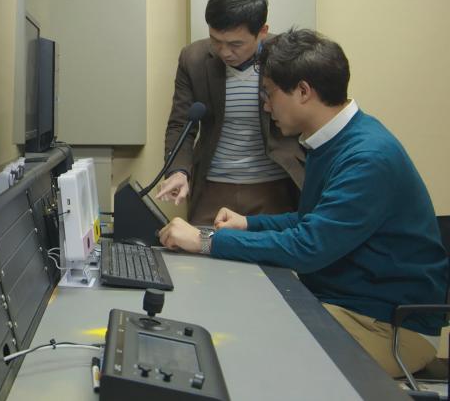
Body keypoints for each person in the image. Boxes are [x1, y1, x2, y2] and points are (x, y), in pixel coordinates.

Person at [158, 28, 448, 377]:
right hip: (348, 305)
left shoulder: (368, 157)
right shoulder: (335, 140)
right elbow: (313, 220)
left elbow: (309, 247)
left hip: (386, 326)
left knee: (247, 356)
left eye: (268, 94)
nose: (265, 105)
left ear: (303, 92)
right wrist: (249, 224)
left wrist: (205, 241)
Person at [156, 0, 305, 225]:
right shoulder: (193, 58)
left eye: (236, 44)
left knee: (272, 258)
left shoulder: (287, 57)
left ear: (262, 32)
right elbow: (181, 124)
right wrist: (178, 171)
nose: (224, 52)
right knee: (201, 255)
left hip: (275, 187)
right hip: (213, 187)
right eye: (216, 41)